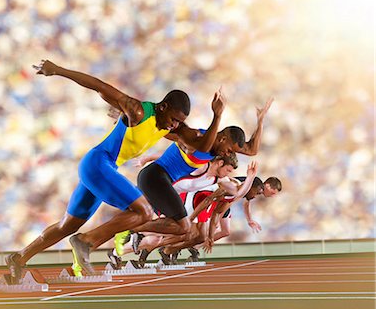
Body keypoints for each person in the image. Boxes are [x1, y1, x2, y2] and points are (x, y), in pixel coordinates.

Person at [6, 59, 225, 280]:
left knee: (67, 225)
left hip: (103, 169)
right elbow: (99, 86)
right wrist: (58, 70)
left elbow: (203, 147)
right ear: (163, 106)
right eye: (174, 119)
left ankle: (19, 258)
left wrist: (217, 116)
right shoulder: (138, 111)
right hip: (98, 163)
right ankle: (86, 241)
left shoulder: (170, 128)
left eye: (179, 122)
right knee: (144, 211)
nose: (175, 125)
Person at [125, 98, 273, 247]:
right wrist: (132, 119)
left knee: (180, 228)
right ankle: (132, 232)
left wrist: (260, 121)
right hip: (155, 180)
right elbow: (165, 131)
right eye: (229, 150)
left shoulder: (217, 171)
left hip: (164, 186)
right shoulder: (197, 143)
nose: (229, 154)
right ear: (222, 139)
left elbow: (251, 152)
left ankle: (133, 232)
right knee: (177, 227)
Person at [107, 153, 241, 268]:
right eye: (228, 170)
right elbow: (169, 160)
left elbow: (238, 192)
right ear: (220, 163)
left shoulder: (220, 180)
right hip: (157, 188)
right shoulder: (201, 167)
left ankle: (131, 242)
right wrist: (147, 158)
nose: (228, 174)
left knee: (175, 231)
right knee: (173, 231)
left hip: (169, 196)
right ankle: (135, 234)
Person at [186, 176, 282, 262]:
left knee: (225, 231)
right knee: (209, 227)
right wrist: (217, 218)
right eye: (273, 193)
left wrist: (249, 220)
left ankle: (195, 247)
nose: (272, 196)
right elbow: (231, 200)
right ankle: (186, 244)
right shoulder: (253, 185)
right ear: (268, 186)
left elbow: (246, 203)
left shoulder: (256, 189)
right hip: (217, 199)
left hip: (224, 200)